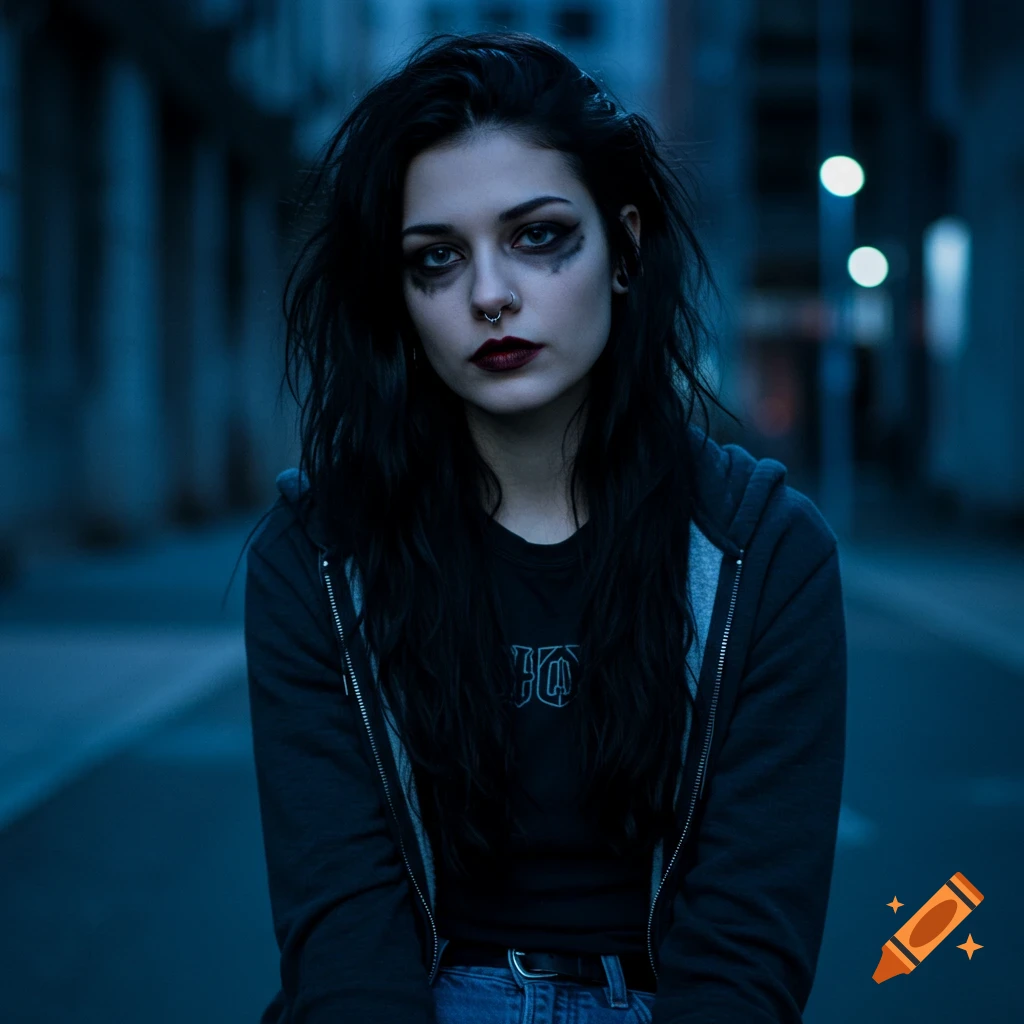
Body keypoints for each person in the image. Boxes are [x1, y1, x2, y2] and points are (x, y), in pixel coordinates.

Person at [242, 31, 847, 1024]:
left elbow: (745, 955)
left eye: (537, 236)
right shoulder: (318, 556)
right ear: (399, 299)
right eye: (436, 259)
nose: (490, 295)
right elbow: (345, 946)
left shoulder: (762, 552)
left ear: (625, 248)